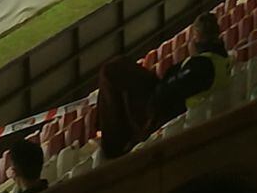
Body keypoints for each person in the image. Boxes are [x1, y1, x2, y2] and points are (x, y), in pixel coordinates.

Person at [97, 13, 232, 159]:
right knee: (120, 66)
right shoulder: (220, 57)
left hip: (166, 114)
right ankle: (109, 134)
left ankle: (113, 147)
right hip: (176, 106)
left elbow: (163, 97)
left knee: (110, 72)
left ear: (196, 38)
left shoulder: (202, 65)